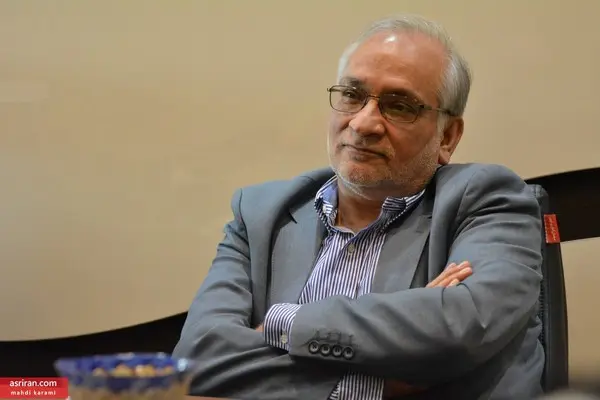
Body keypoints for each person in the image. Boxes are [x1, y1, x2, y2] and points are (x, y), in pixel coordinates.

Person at [173, 14, 544, 400]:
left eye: (399, 106)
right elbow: (198, 359)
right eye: (352, 95)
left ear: (447, 136)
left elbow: (460, 326)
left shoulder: (488, 201)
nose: (364, 123)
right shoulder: (260, 215)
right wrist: (376, 379)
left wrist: (284, 323)